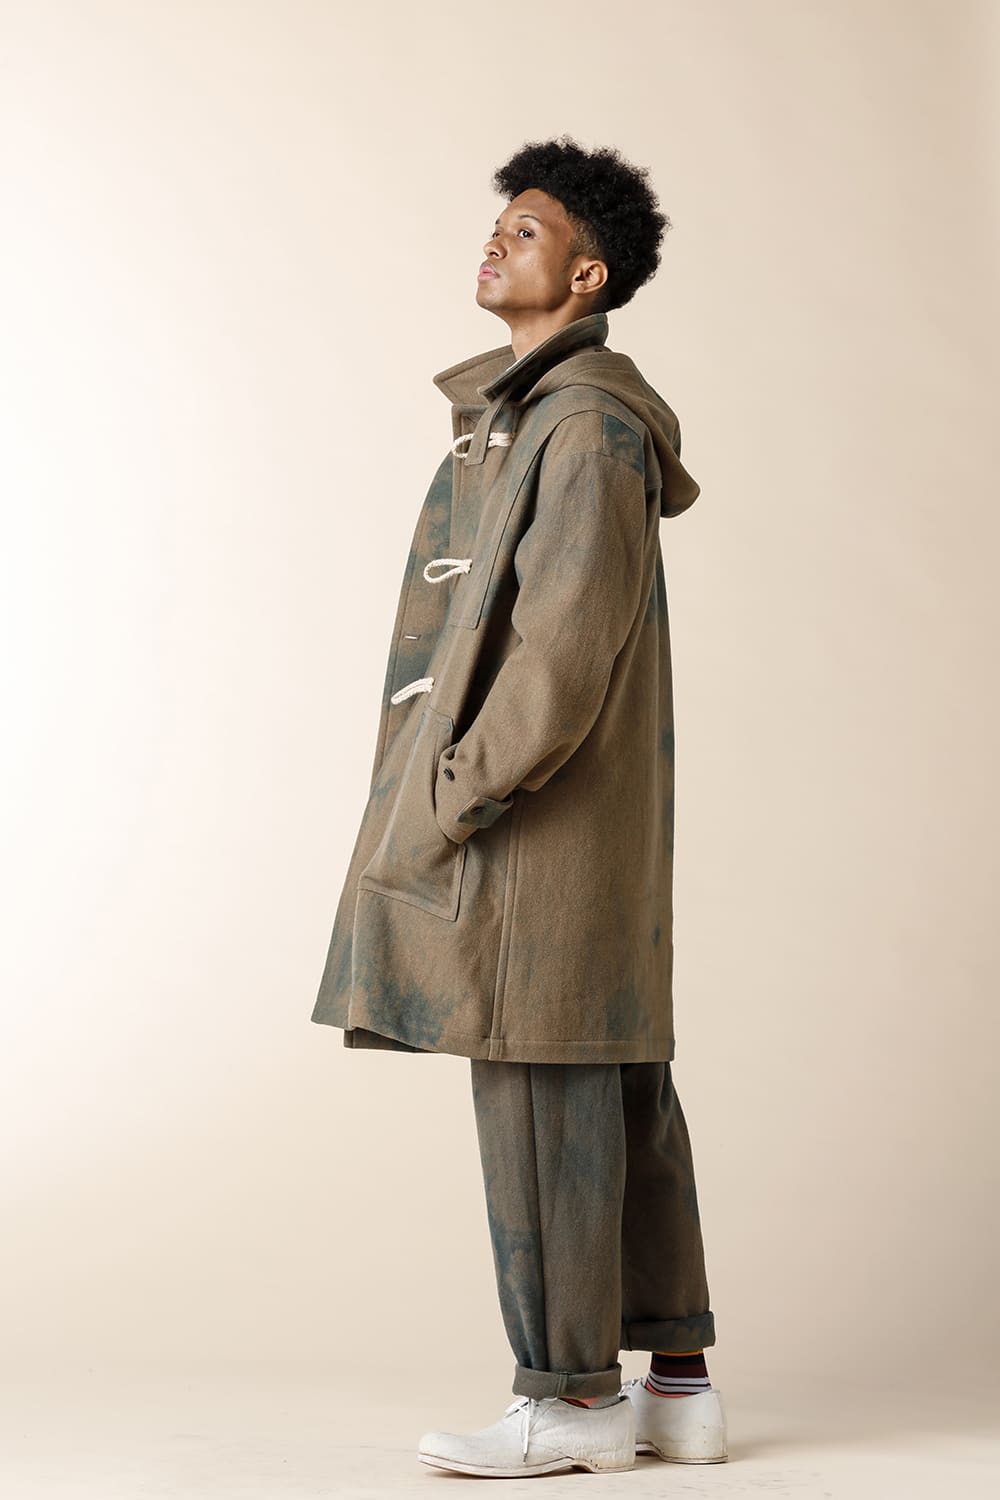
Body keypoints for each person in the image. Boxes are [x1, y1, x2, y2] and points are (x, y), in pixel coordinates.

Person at [311, 134, 727, 1478]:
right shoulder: (552, 417)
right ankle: (676, 1389)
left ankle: (572, 1401)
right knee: (615, 1090)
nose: (498, 241)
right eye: (500, 224)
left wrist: (450, 793)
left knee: (547, 1098)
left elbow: (559, 658)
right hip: (574, 830)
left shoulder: (584, 427)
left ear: (588, 274)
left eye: (530, 230)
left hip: (537, 833)